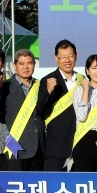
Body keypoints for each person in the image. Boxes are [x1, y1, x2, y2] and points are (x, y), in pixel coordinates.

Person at [0, 49, 46, 171]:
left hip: (39, 147)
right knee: (16, 182)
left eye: (29, 63)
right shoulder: (5, 86)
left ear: (34, 65)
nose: (26, 67)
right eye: (21, 63)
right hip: (16, 147)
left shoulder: (41, 85)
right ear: (15, 65)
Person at [39, 39, 84, 171]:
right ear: (56, 58)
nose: (67, 60)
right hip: (57, 145)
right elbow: (41, 111)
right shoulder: (48, 80)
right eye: (63, 57)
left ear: (76, 56)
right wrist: (48, 92)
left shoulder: (83, 80)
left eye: (70, 56)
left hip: (80, 142)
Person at [69, 54, 97, 171]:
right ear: (87, 71)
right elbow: (81, 116)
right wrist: (86, 90)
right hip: (84, 138)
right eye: (94, 68)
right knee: (84, 177)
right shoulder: (79, 90)